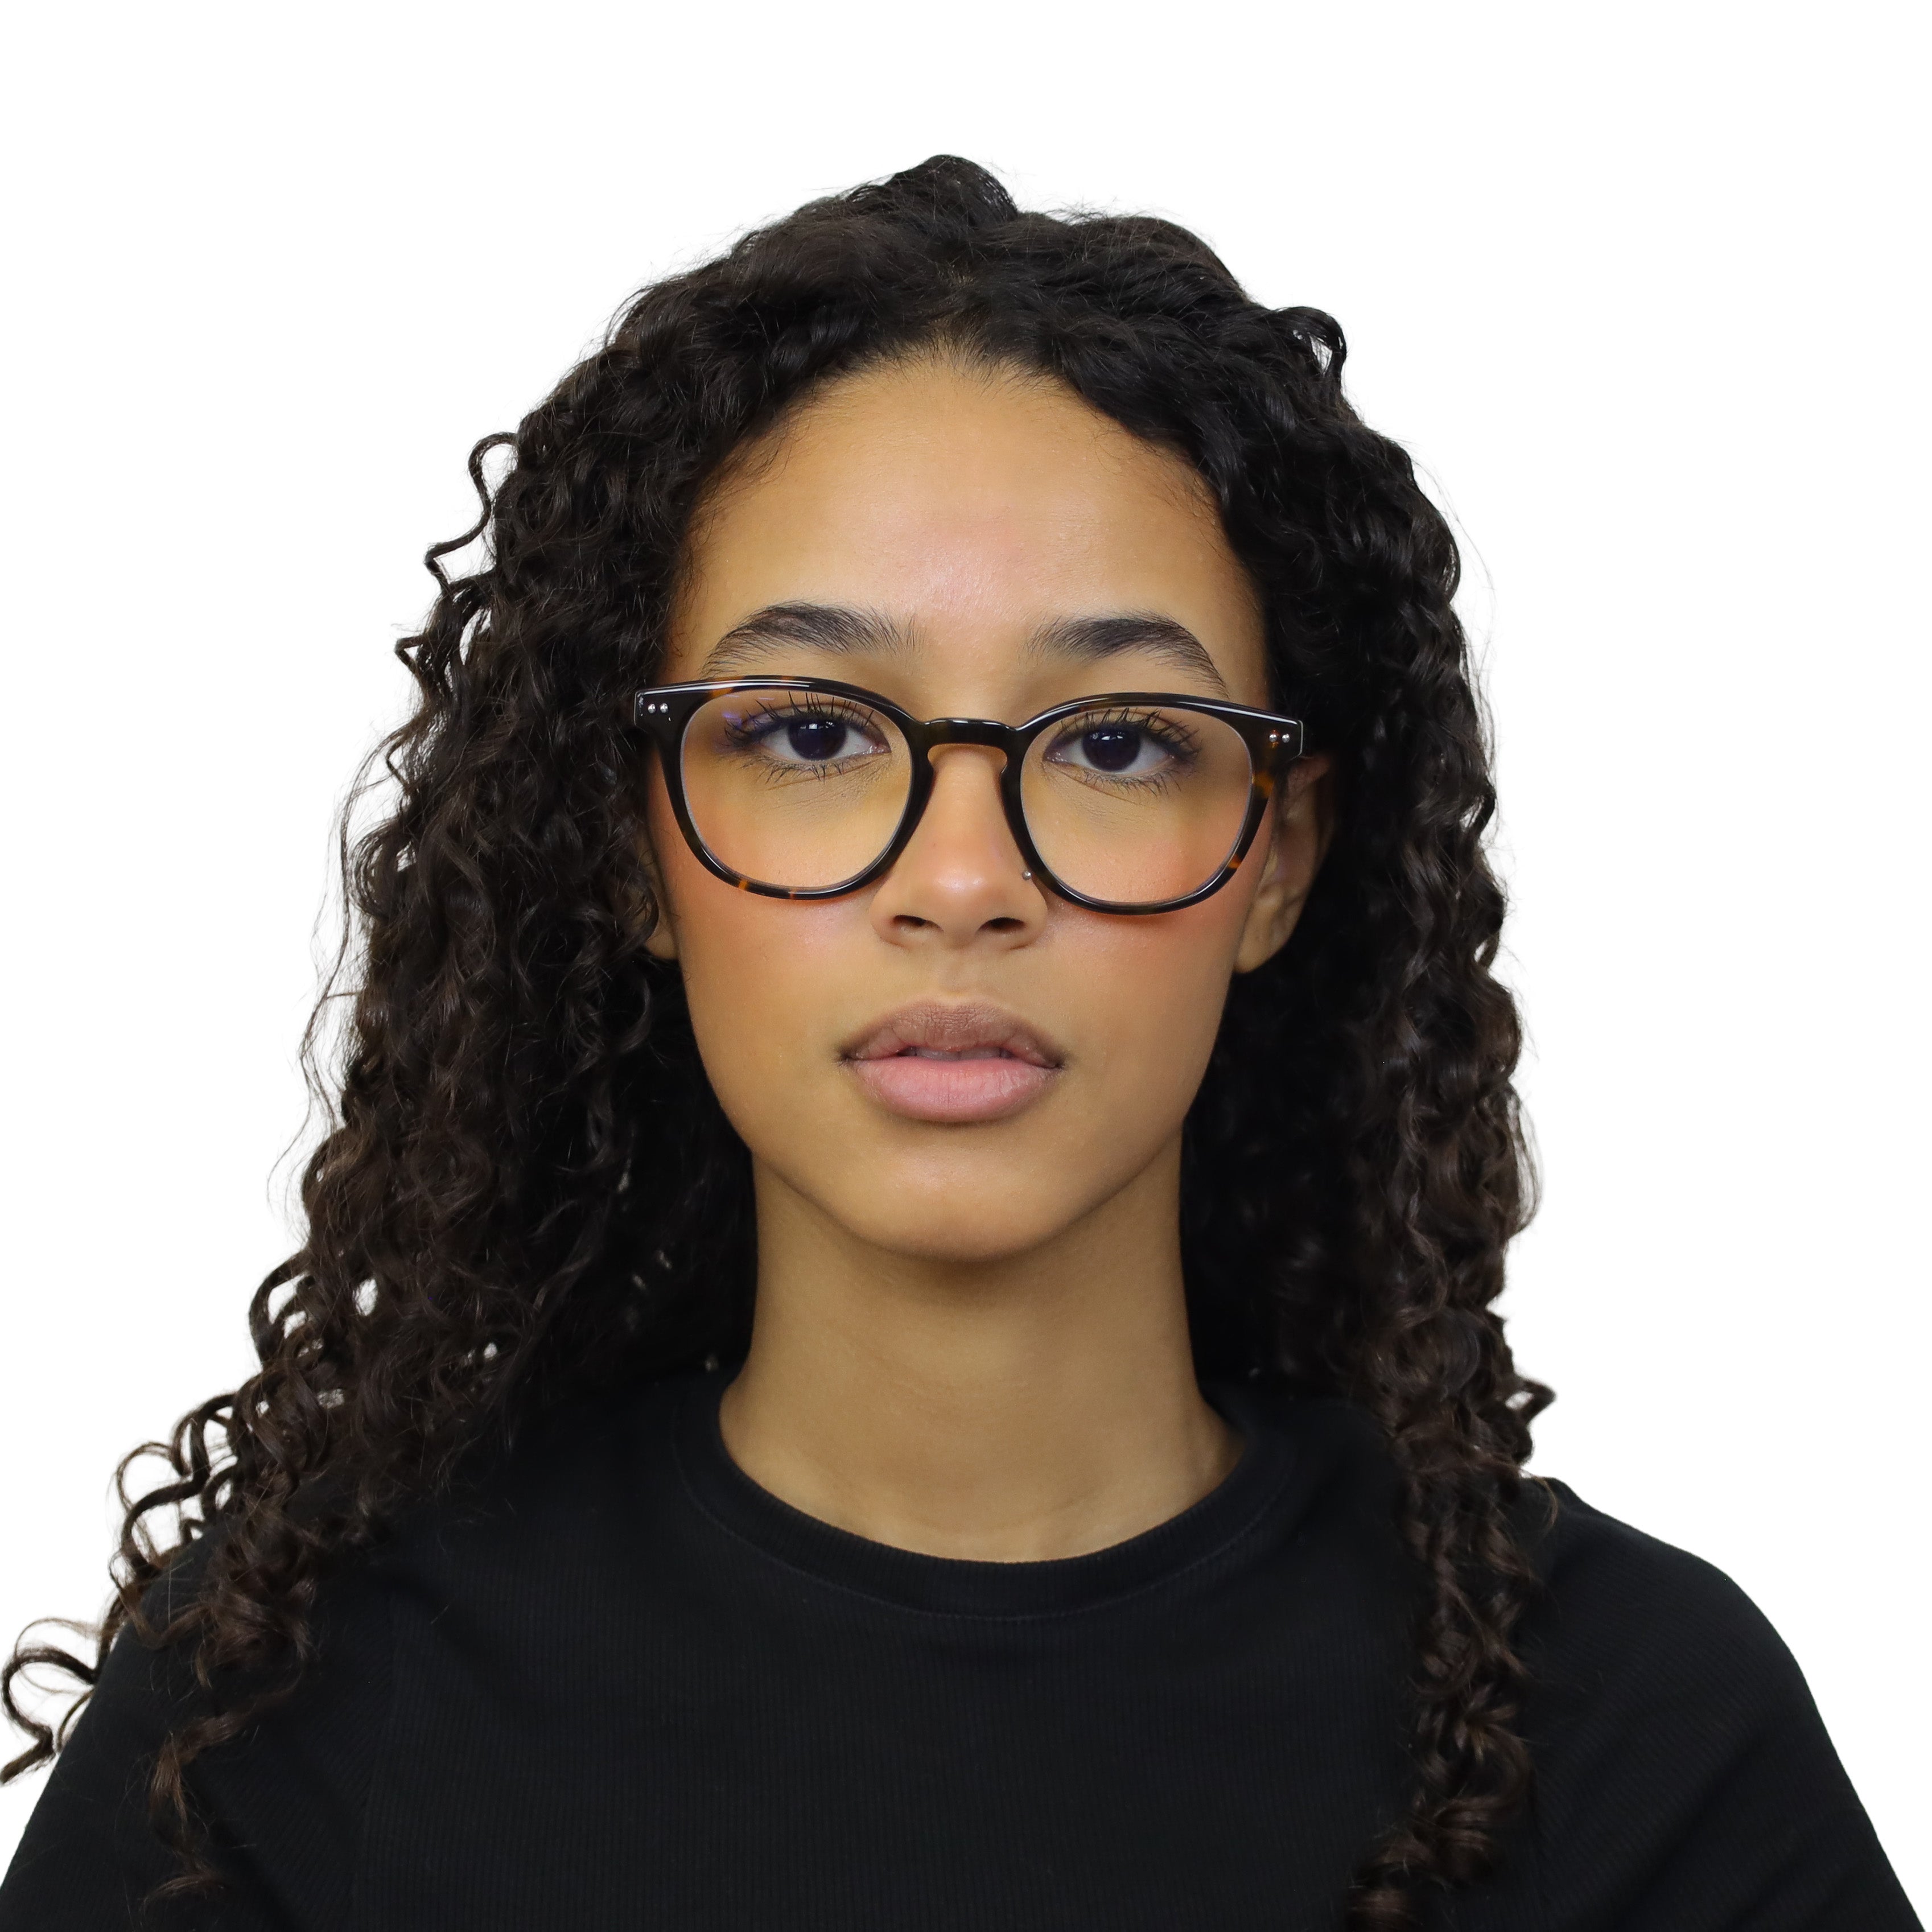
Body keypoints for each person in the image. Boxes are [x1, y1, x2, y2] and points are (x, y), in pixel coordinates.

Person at [0, 156, 1915, 1932]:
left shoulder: (1634, 1736)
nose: (963, 881)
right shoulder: (284, 1718)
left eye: (1118, 742)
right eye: (812, 731)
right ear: (632, 845)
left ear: (1275, 858)